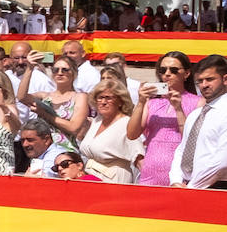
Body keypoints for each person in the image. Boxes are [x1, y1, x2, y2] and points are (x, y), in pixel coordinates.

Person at [130, 51, 201, 187]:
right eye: (163, 70)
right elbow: (132, 134)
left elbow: (193, 140)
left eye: (173, 70)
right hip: (150, 173)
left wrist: (179, 109)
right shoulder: (151, 102)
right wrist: (140, 102)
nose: (167, 74)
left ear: (186, 74)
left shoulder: (198, 102)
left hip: (180, 176)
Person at [169, 54, 227, 189]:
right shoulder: (195, 115)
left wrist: (192, 188)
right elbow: (181, 150)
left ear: (225, 79)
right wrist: (176, 181)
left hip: (218, 187)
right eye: (200, 81)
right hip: (189, 186)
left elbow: (223, 160)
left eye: (210, 79)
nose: (204, 85)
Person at [78, 79, 143, 183]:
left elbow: (139, 158)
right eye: (100, 98)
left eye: (108, 98)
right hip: (91, 180)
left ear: (120, 101)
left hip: (114, 180)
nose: (103, 102)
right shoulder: (97, 121)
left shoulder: (126, 123)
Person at [19, 53, 88, 149]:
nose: (60, 73)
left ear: (74, 73)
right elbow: (21, 97)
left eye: (65, 70)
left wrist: (44, 113)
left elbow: (74, 128)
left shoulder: (80, 97)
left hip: (66, 151)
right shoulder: (45, 96)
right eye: (56, 70)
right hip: (42, 152)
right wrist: (30, 68)